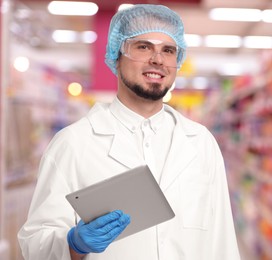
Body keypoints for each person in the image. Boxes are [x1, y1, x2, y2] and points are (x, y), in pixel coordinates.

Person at [17, 4, 241, 260]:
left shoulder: (201, 142)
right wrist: (73, 244)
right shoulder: (73, 143)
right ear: (116, 55)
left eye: (168, 50)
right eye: (143, 47)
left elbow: (221, 240)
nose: (157, 59)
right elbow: (34, 245)